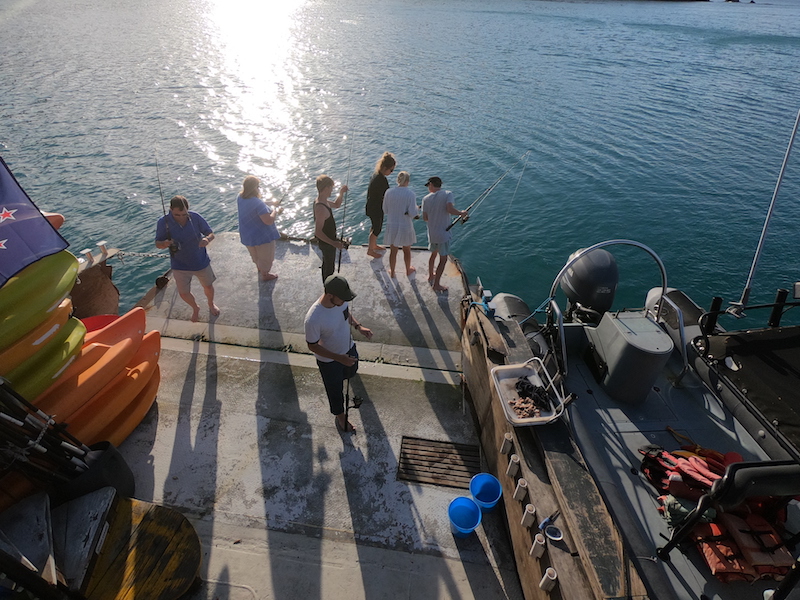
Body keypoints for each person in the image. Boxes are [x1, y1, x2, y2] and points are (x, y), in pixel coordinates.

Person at [305, 274, 373, 433]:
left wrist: (358, 327)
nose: (345, 302)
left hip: (348, 349)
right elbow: (312, 346)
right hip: (329, 361)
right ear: (330, 296)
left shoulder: (340, 302)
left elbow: (346, 314)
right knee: (335, 391)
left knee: (352, 371)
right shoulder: (313, 319)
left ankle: (344, 375)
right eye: (342, 298)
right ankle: (340, 417)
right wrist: (339, 358)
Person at [155, 195, 220, 322]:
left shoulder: (195, 217)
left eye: (184, 214)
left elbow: (211, 233)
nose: (181, 218)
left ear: (187, 210)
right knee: (183, 293)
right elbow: (157, 244)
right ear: (170, 210)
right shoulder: (163, 222)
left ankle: (211, 304)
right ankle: (195, 308)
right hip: (179, 265)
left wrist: (207, 239)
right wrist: (165, 244)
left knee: (208, 286)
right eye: (177, 215)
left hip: (200, 261)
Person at [421, 177, 467, 293]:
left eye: (428, 186)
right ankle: (436, 284)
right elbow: (449, 209)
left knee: (433, 254)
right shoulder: (448, 194)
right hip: (443, 234)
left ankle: (431, 275)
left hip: (432, 234)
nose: (428, 188)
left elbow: (425, 218)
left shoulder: (425, 199)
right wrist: (461, 213)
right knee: (443, 259)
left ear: (431, 185)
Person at [236, 175, 283, 282]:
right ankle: (265, 274)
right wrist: (275, 211)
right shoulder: (258, 203)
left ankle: (259, 268)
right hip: (262, 237)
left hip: (247, 235)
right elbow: (268, 221)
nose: (259, 188)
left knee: (255, 255)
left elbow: (257, 203)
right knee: (267, 257)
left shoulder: (240, 197)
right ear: (254, 188)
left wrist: (271, 203)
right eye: (258, 186)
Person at [382, 171, 418, 278]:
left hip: (392, 224)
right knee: (407, 250)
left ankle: (392, 272)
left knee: (393, 250)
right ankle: (408, 270)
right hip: (405, 225)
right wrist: (416, 210)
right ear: (407, 181)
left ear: (398, 180)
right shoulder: (410, 194)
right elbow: (413, 213)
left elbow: (385, 210)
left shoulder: (389, 192)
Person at [313, 174, 348, 282]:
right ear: (326, 188)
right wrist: (333, 243)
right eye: (331, 188)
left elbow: (337, 204)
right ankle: (327, 289)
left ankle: (328, 286)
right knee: (328, 267)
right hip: (327, 244)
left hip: (329, 241)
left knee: (328, 264)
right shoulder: (321, 208)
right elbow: (318, 232)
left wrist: (341, 193)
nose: (332, 190)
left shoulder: (323, 201)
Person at [365, 152, 396, 258]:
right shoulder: (381, 180)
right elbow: (387, 196)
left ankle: (373, 245)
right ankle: (370, 250)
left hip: (371, 206)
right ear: (385, 168)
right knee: (377, 229)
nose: (391, 172)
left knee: (375, 227)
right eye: (391, 170)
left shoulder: (376, 175)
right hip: (376, 208)